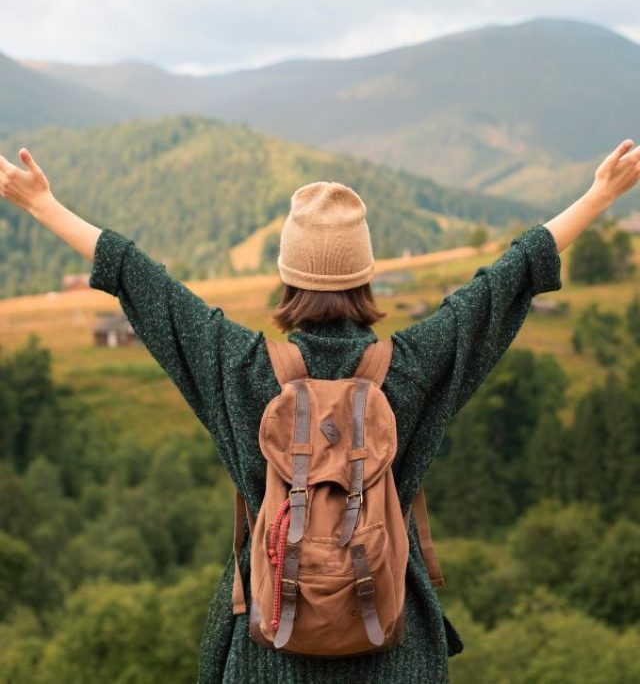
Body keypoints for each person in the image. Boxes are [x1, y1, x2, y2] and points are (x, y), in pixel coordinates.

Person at [1, 138, 639, 684]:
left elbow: (144, 282)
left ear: (287, 278)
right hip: (394, 646)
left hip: (266, 647)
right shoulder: (411, 369)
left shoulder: (241, 368)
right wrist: (600, 195)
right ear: (364, 278)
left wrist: (42, 204)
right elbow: (506, 282)